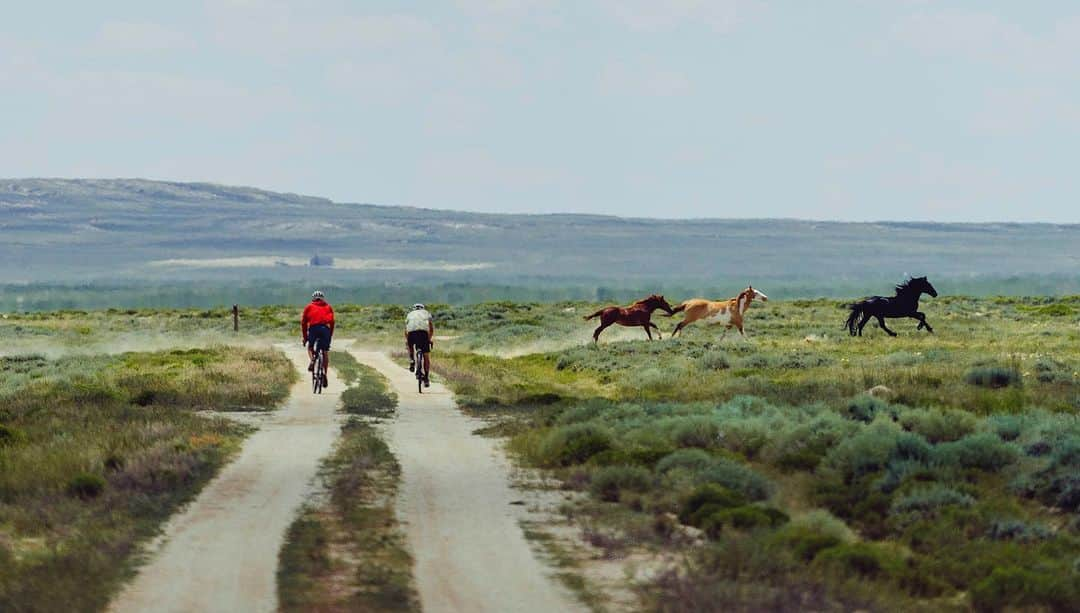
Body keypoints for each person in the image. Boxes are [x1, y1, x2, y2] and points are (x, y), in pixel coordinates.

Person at [301, 290, 334, 387]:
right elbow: (332, 322)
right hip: (325, 329)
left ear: (313, 299)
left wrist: (305, 337)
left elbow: (303, 323)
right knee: (325, 351)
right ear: (323, 298)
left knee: (310, 347)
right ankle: (324, 373)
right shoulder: (328, 307)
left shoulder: (309, 307)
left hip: (313, 329)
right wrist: (330, 335)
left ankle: (312, 360)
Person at [405, 303, 433, 387]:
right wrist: (429, 339)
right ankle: (427, 378)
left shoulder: (409, 314)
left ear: (414, 309)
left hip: (411, 333)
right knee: (426, 356)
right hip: (423, 333)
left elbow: (406, 330)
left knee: (410, 345)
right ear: (423, 308)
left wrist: (408, 341)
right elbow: (431, 329)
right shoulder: (426, 313)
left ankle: (412, 360)